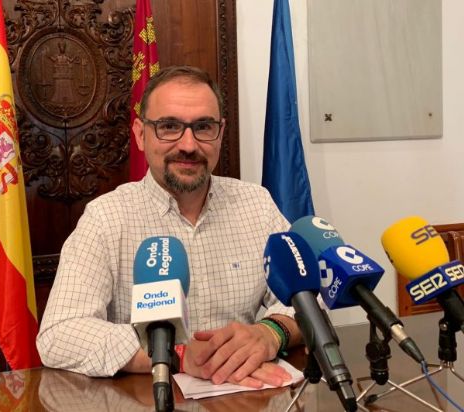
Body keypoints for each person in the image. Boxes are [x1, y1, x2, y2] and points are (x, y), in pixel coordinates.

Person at [37, 65, 302, 388]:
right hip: (147, 397)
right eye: (169, 127)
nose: (188, 145)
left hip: (246, 395)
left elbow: (309, 298)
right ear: (140, 134)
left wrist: (271, 332)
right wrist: (176, 354)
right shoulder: (107, 218)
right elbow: (59, 335)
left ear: (220, 132)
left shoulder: (256, 205)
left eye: (203, 127)